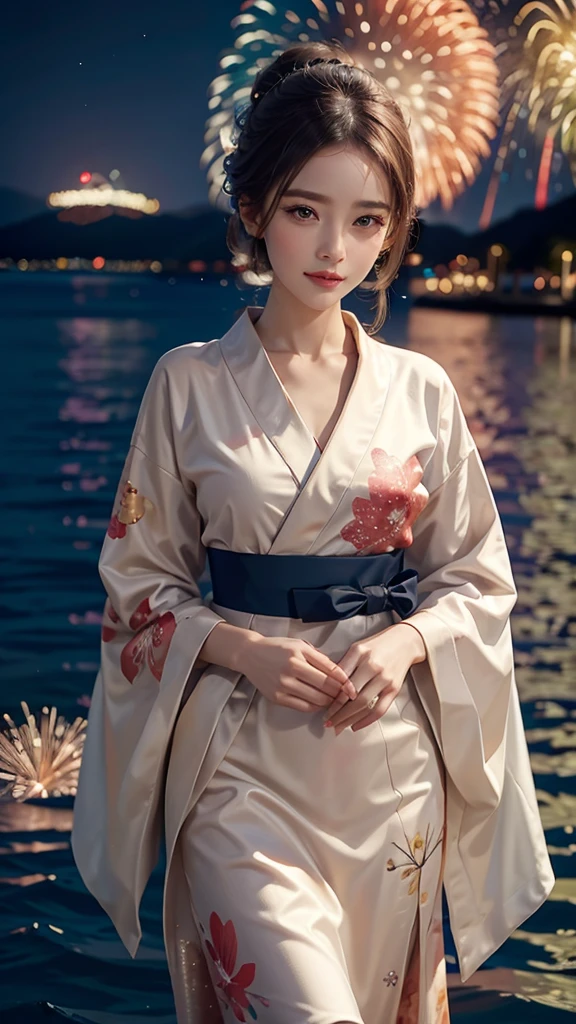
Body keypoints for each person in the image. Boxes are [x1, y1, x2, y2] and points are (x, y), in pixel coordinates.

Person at [71, 40, 554, 1024]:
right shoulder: (189, 384)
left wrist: (407, 637)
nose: (335, 246)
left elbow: (479, 580)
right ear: (254, 211)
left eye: (366, 219)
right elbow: (137, 585)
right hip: (239, 769)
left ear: (393, 230)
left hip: (387, 772)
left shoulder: (420, 391)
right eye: (305, 210)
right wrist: (241, 648)